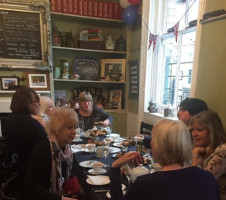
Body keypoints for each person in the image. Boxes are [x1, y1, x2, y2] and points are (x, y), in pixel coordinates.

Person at [110, 119, 220, 200]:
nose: (151, 142)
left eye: (153, 140)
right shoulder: (207, 177)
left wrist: (115, 167)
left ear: (156, 146)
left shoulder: (146, 184)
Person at [25, 107, 79, 200]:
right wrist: (60, 199)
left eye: (75, 127)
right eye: (69, 127)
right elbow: (31, 187)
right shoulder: (44, 150)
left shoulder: (65, 148)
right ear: (57, 128)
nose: (74, 131)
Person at [4, 87, 46, 175]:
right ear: (27, 103)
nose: (39, 104)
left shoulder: (9, 118)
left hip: (18, 167)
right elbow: (45, 143)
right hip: (31, 169)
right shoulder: (29, 122)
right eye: (37, 101)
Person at [142, 97, 208, 148]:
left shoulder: (196, 137)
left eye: (183, 110)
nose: (178, 113)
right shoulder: (182, 128)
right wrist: (143, 138)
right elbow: (166, 143)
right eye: (179, 110)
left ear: (194, 114)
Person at [190, 110, 226, 199]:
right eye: (192, 130)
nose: (194, 134)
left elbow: (198, 183)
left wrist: (194, 156)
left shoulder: (222, 152)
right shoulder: (204, 147)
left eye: (199, 130)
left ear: (212, 131)